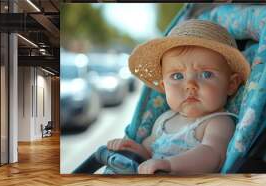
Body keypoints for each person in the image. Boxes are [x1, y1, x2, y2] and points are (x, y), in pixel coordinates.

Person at [106, 19, 250, 174]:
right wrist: (132, 148)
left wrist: (169, 164)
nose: (190, 85)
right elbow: (148, 155)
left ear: (231, 85)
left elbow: (213, 155)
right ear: (163, 87)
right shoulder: (163, 120)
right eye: (177, 76)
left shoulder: (218, 122)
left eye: (206, 74)